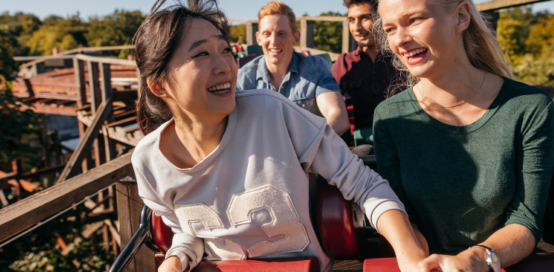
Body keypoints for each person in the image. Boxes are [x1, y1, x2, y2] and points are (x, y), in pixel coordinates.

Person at [131, 1, 429, 271]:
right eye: (201, 54)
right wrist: (175, 259)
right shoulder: (148, 162)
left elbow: (363, 182)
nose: (225, 67)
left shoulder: (273, 109)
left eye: (226, 50)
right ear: (160, 86)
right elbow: (190, 230)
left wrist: (408, 252)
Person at [373, 0, 554, 271]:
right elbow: (403, 216)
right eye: (390, 29)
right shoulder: (389, 116)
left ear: (460, 17)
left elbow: (526, 221)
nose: (399, 39)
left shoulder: (528, 106)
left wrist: (476, 259)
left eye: (414, 20)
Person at [236, 1, 350, 136]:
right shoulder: (243, 78)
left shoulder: (315, 68)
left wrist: (306, 148)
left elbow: (338, 117)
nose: (273, 41)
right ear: (258, 38)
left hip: (311, 153)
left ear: (296, 37)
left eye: (281, 33)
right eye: (267, 34)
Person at [332, 0, 400, 145]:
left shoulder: (401, 58)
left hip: (403, 141)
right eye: (351, 20)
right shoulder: (344, 63)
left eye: (365, 18)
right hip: (362, 148)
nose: (357, 27)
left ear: (381, 19)